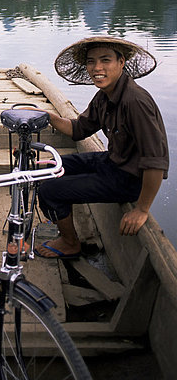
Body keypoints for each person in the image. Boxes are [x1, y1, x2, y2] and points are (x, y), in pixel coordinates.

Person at [35, 36, 169, 259]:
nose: (97, 68)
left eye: (105, 60)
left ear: (121, 62)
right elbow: (79, 129)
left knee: (49, 191)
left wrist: (142, 209)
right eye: (91, 62)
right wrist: (47, 116)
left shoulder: (135, 101)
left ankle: (70, 243)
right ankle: (60, 218)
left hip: (128, 180)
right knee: (49, 166)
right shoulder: (104, 96)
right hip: (111, 162)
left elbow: (156, 161)